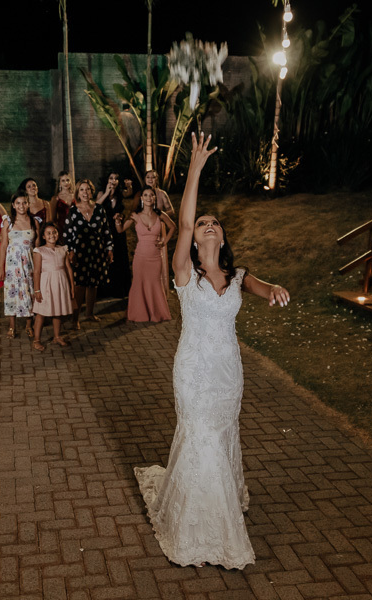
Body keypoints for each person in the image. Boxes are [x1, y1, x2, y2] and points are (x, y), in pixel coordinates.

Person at [134, 132, 291, 570]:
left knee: (219, 436)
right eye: (203, 220)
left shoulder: (239, 275)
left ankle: (214, 501)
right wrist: (197, 169)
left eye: (214, 222)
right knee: (199, 433)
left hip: (227, 372)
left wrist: (275, 288)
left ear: (221, 237)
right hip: (193, 370)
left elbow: (263, 288)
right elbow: (181, 225)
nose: (207, 224)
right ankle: (200, 527)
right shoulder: (184, 271)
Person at [115, 186, 176, 322]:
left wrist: (164, 242)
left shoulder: (160, 214)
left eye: (151, 195)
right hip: (140, 257)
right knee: (139, 283)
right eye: (146, 195)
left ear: (154, 198)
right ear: (141, 198)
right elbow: (120, 230)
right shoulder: (135, 215)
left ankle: (156, 314)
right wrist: (117, 221)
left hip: (155, 257)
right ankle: (139, 314)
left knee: (154, 283)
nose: (149, 198)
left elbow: (173, 227)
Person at [63, 179, 114, 328]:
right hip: (80, 253)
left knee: (93, 284)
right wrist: (70, 251)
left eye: (88, 190)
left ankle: (90, 314)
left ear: (92, 191)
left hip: (97, 251)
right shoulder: (73, 211)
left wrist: (109, 249)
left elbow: (106, 231)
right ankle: (74, 319)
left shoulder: (99, 209)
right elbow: (67, 234)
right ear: (78, 193)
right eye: (82, 190)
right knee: (79, 286)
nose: (85, 193)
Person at [0, 194, 38, 339]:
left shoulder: (34, 222)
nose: (21, 206)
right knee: (12, 293)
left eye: (24, 203)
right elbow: (3, 246)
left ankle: (29, 325)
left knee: (29, 292)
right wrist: (0, 268)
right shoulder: (8, 222)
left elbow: (38, 246)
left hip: (29, 264)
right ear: (13, 205)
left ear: (28, 204)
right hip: (12, 266)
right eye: (18, 203)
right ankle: (12, 326)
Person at [31, 222, 76, 351]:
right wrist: (37, 289)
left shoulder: (63, 249)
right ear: (44, 236)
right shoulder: (39, 251)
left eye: (54, 232)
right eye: (48, 233)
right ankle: (36, 340)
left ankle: (57, 336)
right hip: (46, 285)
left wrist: (71, 287)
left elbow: (68, 269)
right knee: (41, 312)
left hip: (60, 283)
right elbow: (37, 272)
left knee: (58, 311)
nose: (52, 235)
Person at [96, 171, 132, 298]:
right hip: (105, 230)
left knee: (120, 257)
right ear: (107, 180)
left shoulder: (120, 194)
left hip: (117, 231)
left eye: (116, 179)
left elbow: (129, 194)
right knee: (106, 258)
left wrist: (129, 186)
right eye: (111, 178)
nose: (113, 181)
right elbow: (96, 206)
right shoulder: (101, 193)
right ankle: (106, 291)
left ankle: (120, 289)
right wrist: (107, 192)